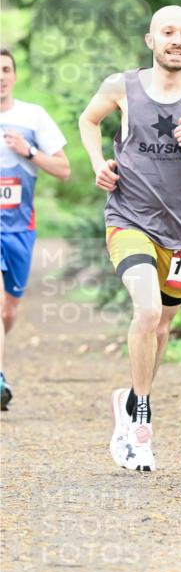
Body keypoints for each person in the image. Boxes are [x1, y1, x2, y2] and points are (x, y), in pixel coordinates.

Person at [79, 5, 181, 472]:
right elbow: (89, 121)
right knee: (146, 311)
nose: (177, 40)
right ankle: (141, 419)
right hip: (129, 220)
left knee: (162, 327)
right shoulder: (120, 86)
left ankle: (129, 400)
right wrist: (97, 164)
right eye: (168, 32)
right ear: (151, 40)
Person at [1, 48, 71, 410]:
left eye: (5, 69)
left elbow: (63, 169)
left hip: (19, 228)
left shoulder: (33, 117)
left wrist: (27, 151)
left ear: (14, 75)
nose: (0, 76)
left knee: (8, 309)